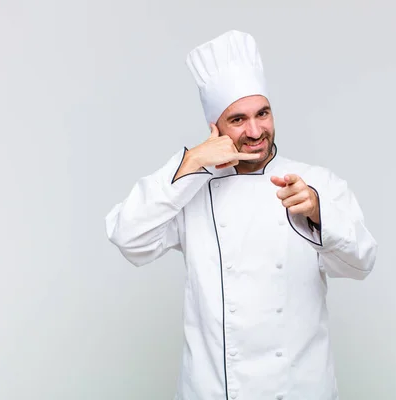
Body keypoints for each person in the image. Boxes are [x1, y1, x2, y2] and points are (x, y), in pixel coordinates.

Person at [105, 30, 378, 400]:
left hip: (298, 389)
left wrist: (317, 211)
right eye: (238, 119)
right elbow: (128, 237)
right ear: (214, 128)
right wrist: (193, 160)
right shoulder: (190, 191)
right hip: (216, 391)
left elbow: (361, 262)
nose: (255, 131)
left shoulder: (315, 183)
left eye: (262, 113)